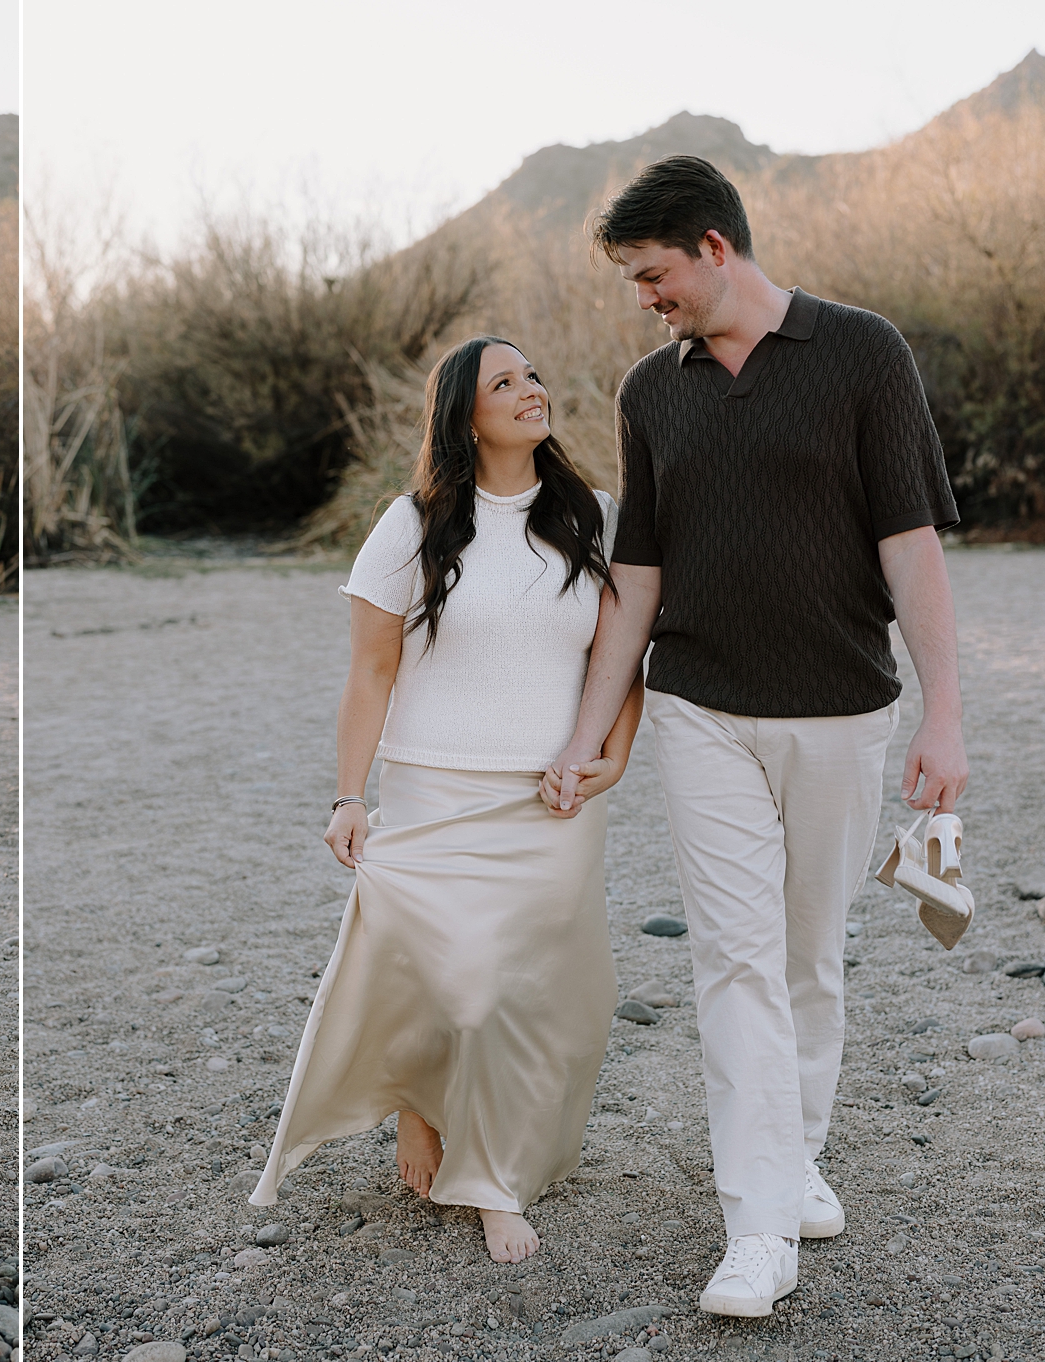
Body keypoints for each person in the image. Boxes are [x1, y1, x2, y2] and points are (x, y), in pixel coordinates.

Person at [552, 155, 966, 1317]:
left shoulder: (859, 354)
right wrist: (591, 731)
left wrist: (943, 714)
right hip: (699, 708)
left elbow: (910, 546)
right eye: (635, 281)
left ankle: (797, 1158)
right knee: (732, 962)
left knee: (806, 958)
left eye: (653, 274)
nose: (646, 296)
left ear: (714, 247)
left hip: (840, 707)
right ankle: (756, 1231)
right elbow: (635, 577)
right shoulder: (650, 389)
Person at [252, 334, 645, 1265]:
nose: (530, 391)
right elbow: (369, 671)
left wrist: (614, 760)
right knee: (460, 984)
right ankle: (488, 1175)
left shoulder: (598, 518)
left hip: (552, 802)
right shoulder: (411, 524)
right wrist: (351, 795)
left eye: (534, 375)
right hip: (433, 791)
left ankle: (457, 1127)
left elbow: (624, 663)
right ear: (462, 415)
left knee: (545, 999)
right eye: (502, 383)